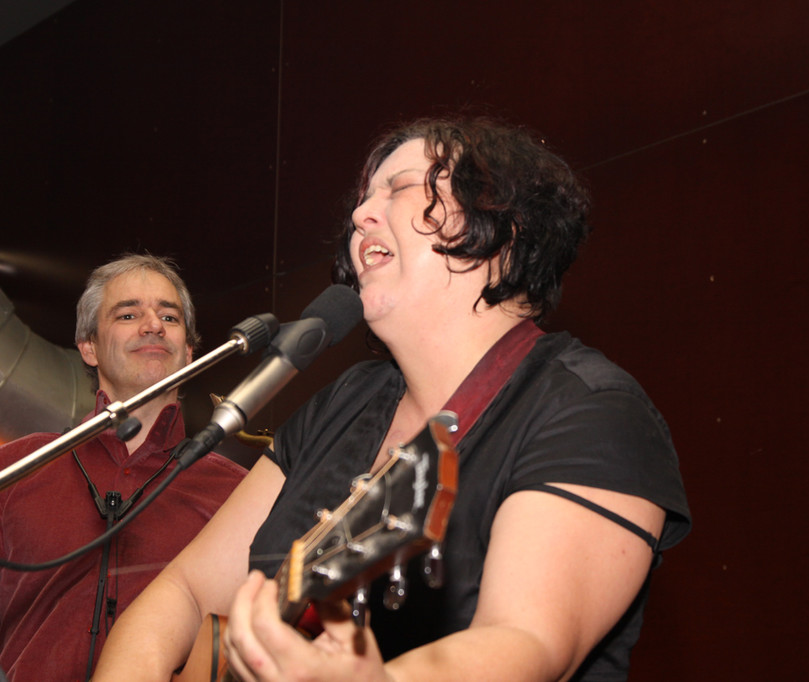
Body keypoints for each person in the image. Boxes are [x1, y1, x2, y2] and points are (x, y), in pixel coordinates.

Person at [93, 118, 691, 682]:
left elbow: (524, 641)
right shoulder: (343, 403)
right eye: (363, 197)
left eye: (400, 187)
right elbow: (186, 593)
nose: (359, 214)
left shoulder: (590, 411)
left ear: (501, 230)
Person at [0, 253, 248, 681]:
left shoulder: (236, 492)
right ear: (89, 347)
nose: (153, 325)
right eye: (128, 314)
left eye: (169, 317)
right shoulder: (15, 466)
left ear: (189, 352)